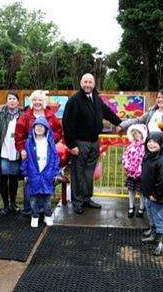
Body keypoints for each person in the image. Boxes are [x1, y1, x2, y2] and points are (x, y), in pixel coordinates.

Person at [62, 73, 122, 214]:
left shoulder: (96, 98)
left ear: (94, 84)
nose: (87, 84)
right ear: (81, 83)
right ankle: (77, 202)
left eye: (90, 82)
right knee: (78, 173)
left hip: (94, 142)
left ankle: (87, 198)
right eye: (85, 82)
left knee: (89, 173)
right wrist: (72, 145)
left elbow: (107, 112)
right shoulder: (74, 100)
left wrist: (120, 123)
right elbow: (67, 124)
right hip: (80, 144)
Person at [15, 90, 62, 217]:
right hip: (30, 154)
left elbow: (58, 131)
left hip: (45, 154)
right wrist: (23, 149)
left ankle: (43, 209)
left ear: (44, 102)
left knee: (45, 179)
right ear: (31, 101)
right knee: (30, 181)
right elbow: (18, 135)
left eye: (40, 100)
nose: (37, 102)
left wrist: (50, 143)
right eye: (34, 100)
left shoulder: (51, 116)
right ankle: (29, 210)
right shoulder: (24, 116)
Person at [21, 116, 60, 227]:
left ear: (46, 128)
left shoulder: (50, 142)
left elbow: (54, 158)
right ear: (33, 128)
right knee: (33, 198)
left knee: (47, 197)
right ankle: (35, 216)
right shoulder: (29, 142)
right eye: (37, 126)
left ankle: (47, 215)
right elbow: (26, 159)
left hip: (47, 173)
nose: (39, 129)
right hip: (33, 173)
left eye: (42, 127)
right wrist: (25, 173)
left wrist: (55, 172)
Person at [0, 91, 22, 215]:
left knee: (13, 179)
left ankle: (13, 203)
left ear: (18, 102)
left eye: (14, 98)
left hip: (16, 152)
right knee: (2, 178)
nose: (12, 101)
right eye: (10, 98)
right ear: (6, 101)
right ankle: (5, 204)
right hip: (2, 151)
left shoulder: (22, 115)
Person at [140, 132, 163, 256]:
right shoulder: (148, 156)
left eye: (154, 141)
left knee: (159, 219)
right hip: (148, 194)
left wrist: (156, 195)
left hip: (158, 197)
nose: (151, 144)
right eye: (149, 141)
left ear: (161, 143)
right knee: (151, 216)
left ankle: (161, 243)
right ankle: (153, 235)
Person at [121, 124, 147, 218]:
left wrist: (141, 171)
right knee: (131, 190)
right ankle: (131, 207)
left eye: (138, 133)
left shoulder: (145, 147)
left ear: (142, 134)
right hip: (131, 173)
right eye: (135, 133)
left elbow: (145, 160)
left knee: (141, 192)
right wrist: (127, 166)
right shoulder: (130, 146)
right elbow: (125, 156)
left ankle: (141, 208)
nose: (136, 135)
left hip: (141, 174)